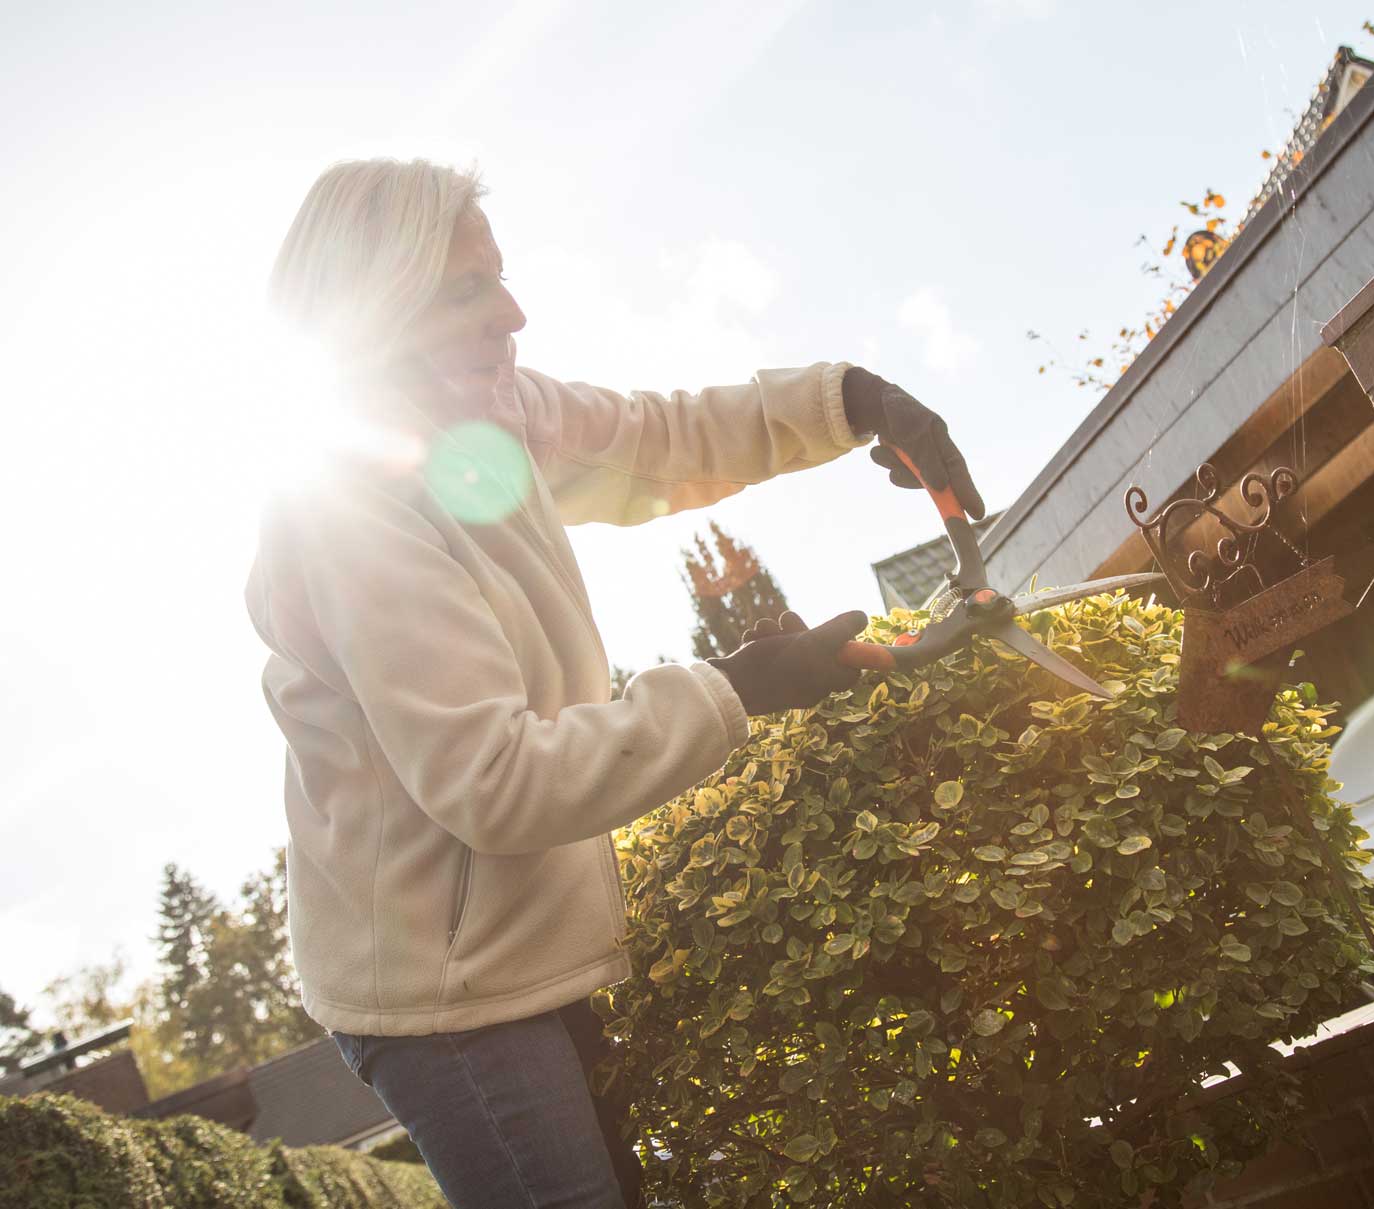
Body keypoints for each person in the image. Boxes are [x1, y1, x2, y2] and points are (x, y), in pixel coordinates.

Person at [244, 158, 983, 1209]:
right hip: (449, 995)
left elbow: (657, 442)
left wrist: (855, 403)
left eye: (497, 278)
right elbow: (497, 783)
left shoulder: (488, 421)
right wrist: (741, 688)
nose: (513, 312)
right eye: (466, 290)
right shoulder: (352, 514)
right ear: (374, 313)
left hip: (522, 942)